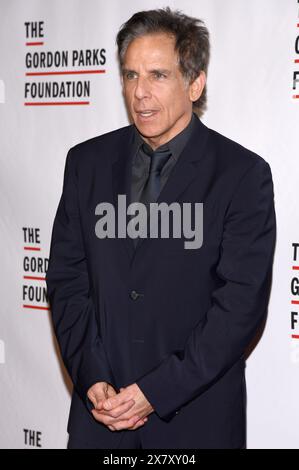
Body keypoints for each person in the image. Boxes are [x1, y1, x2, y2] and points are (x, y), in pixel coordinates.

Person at [46, 7, 276, 449]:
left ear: (195, 83)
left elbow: (239, 307)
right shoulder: (86, 163)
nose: (141, 94)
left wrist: (155, 392)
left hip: (194, 422)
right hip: (100, 419)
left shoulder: (241, 175)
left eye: (158, 75)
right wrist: (92, 377)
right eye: (131, 76)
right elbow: (66, 280)